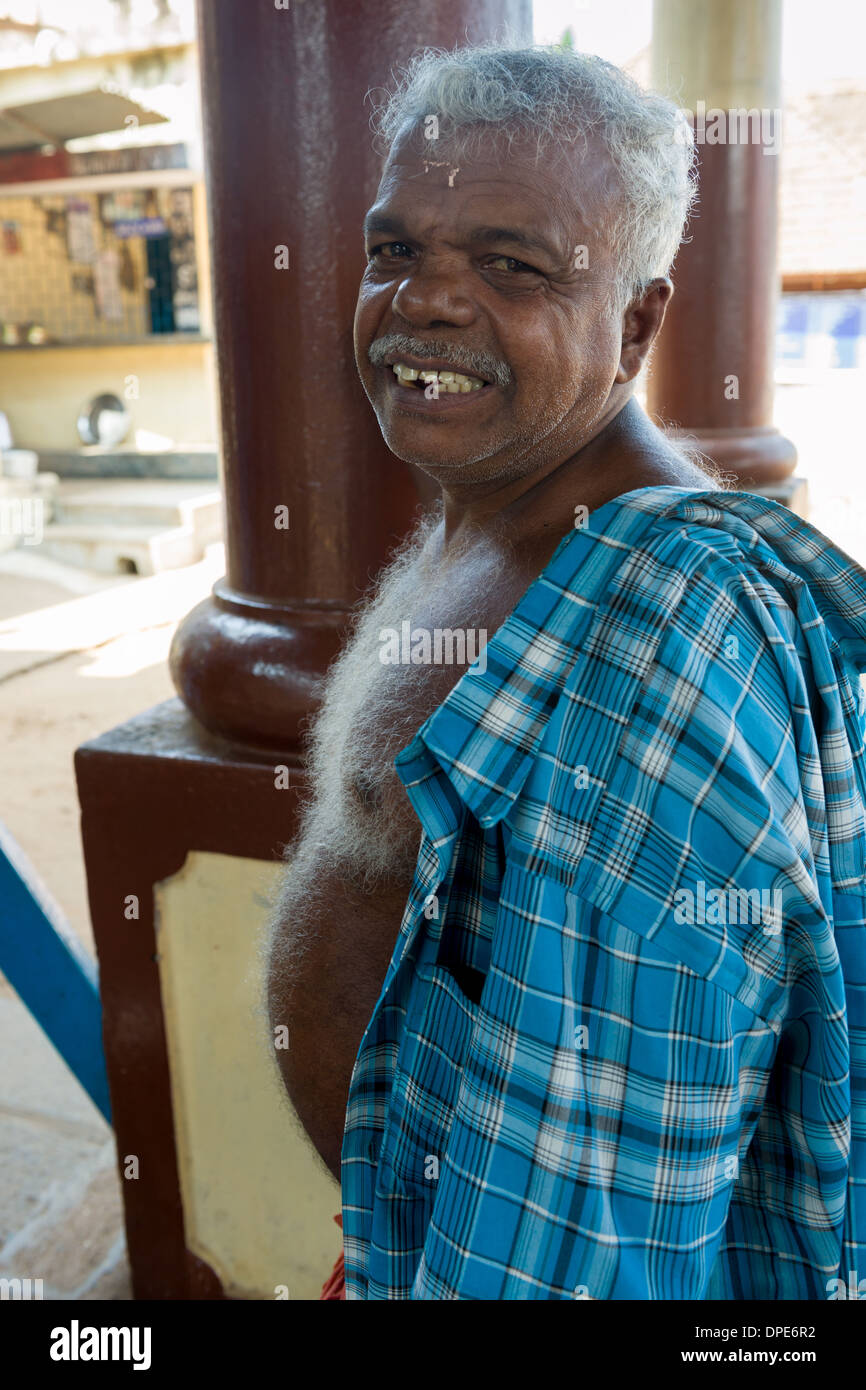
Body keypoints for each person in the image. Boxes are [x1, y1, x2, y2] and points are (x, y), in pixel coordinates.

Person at [267, 44, 866, 1300]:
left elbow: (603, 1225)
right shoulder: (490, 516)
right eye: (395, 250)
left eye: (509, 265)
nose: (424, 301)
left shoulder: (655, 639)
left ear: (637, 322)